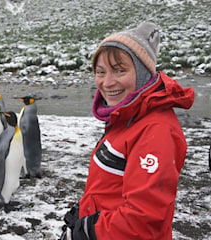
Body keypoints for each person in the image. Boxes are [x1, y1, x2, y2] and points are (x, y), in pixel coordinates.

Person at [60, 22, 195, 240]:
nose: (107, 82)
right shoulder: (125, 115)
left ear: (142, 74)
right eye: (100, 72)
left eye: (119, 70)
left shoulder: (156, 130)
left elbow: (144, 220)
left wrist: (89, 231)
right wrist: (83, 211)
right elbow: (112, 185)